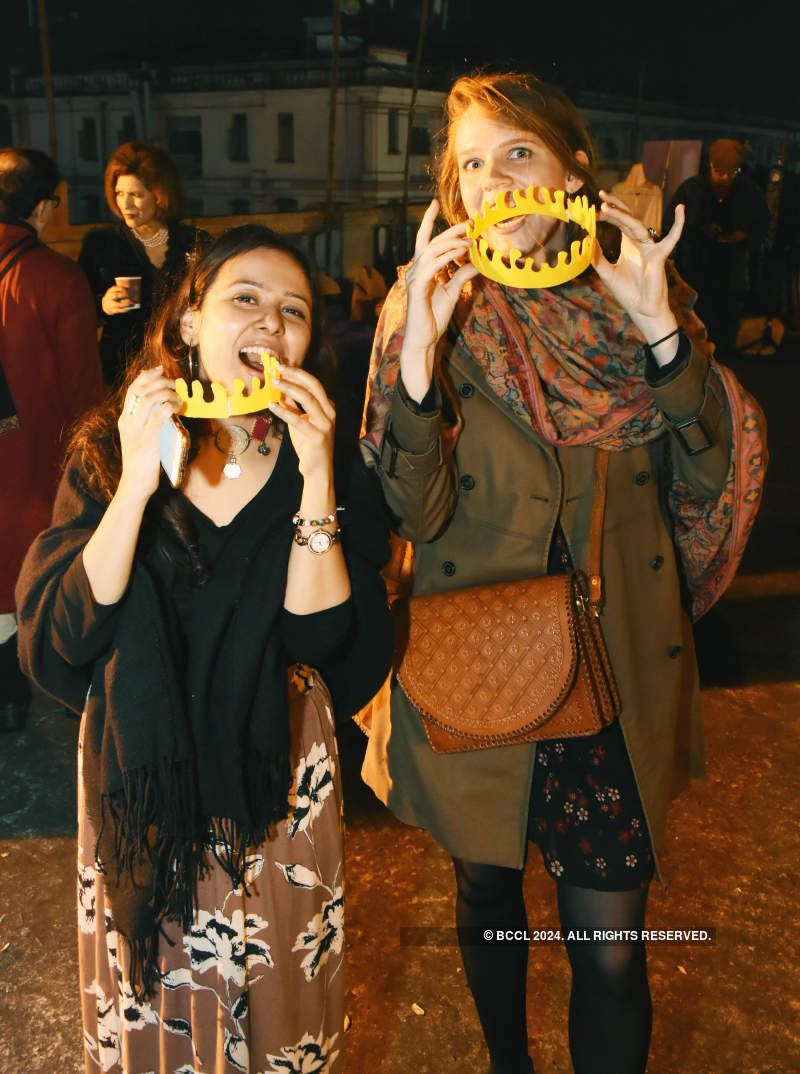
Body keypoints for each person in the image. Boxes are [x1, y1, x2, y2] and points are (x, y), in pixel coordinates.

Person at [359, 73, 766, 1074]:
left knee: (613, 955)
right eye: (471, 167)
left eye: (517, 154)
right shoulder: (431, 314)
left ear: (569, 169)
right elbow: (415, 513)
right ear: (452, 196)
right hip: (477, 668)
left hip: (611, 678)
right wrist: (416, 360)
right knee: (487, 904)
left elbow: (709, 471)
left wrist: (661, 330)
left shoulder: (636, 295)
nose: (495, 183)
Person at [16, 224, 394, 1073]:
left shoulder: (317, 461)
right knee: (159, 1022)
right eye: (245, 300)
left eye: (293, 310)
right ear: (189, 323)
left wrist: (321, 474)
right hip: (144, 781)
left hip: (278, 785)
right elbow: (64, 635)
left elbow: (321, 639)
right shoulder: (111, 450)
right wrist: (139, 484)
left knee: (275, 1024)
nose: (271, 322)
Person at [0, 147, 104, 732]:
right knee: (31, 567)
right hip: (33, 468)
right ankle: (27, 687)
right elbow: (83, 391)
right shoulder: (57, 277)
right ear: (42, 207)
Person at [78, 141, 211, 387]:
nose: (124, 204)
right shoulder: (101, 243)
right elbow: (75, 309)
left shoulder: (193, 242)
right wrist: (102, 305)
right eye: (119, 193)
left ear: (160, 196)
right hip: (121, 373)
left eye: (136, 195)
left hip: (181, 369)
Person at [663, 138, 770, 349]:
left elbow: (763, 225)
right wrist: (700, 229)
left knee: (727, 321)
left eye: (732, 173)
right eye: (721, 172)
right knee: (695, 322)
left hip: (732, 270)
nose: (726, 178)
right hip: (695, 268)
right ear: (711, 165)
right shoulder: (691, 190)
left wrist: (743, 235)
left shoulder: (749, 191)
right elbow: (670, 224)